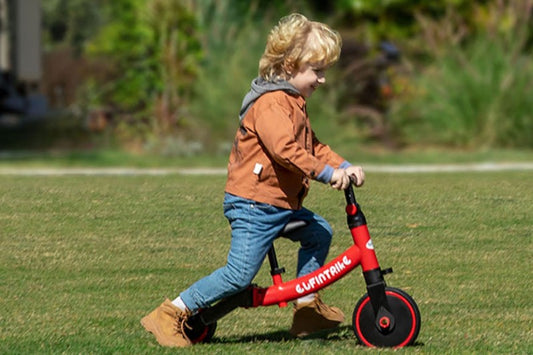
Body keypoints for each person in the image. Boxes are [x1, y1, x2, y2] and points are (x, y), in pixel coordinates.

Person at [141, 13, 365, 347]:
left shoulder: (294, 102)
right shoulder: (272, 103)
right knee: (239, 275)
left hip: (280, 204)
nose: (322, 80)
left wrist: (343, 164)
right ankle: (170, 313)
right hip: (254, 204)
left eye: (324, 72)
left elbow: (312, 145)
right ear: (290, 66)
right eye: (316, 71)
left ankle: (306, 307)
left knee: (320, 233)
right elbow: (285, 150)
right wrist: (329, 174)